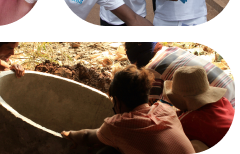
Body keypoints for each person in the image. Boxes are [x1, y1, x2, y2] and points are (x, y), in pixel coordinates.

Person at [61, 65, 196, 154]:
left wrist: (69, 134)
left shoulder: (120, 125)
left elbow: (86, 136)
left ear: (118, 102)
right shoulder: (166, 109)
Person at [123, 42, 235, 109]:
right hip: (230, 91)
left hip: (223, 108)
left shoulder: (151, 69)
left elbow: (152, 108)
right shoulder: (173, 49)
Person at [162, 66, 235, 151]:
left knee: (194, 145)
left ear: (181, 100)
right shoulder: (223, 101)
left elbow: (168, 135)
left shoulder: (188, 121)